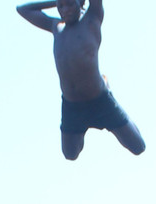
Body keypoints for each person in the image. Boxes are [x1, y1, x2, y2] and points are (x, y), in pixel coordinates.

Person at [16, 0, 146, 160]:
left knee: (138, 147)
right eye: (61, 6)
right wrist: (57, 1)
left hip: (100, 100)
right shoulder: (56, 26)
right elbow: (22, 9)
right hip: (73, 106)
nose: (65, 10)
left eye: (70, 4)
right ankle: (84, 125)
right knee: (70, 154)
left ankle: (110, 104)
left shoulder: (92, 19)